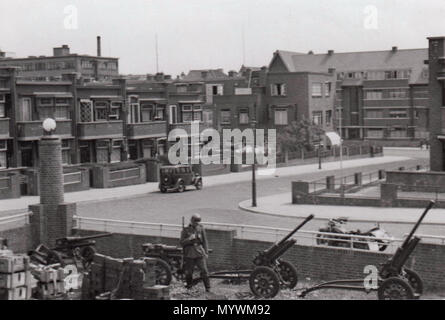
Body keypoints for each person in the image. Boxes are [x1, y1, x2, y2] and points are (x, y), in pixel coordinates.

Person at [180, 213, 211, 292]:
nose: (197, 224)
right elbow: (181, 242)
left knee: (204, 270)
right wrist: (189, 239)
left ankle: (208, 288)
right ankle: (189, 287)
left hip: (199, 252)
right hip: (189, 253)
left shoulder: (201, 228)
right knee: (189, 272)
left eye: (198, 222)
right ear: (192, 221)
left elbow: (205, 241)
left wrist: (206, 252)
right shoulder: (186, 230)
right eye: (195, 222)